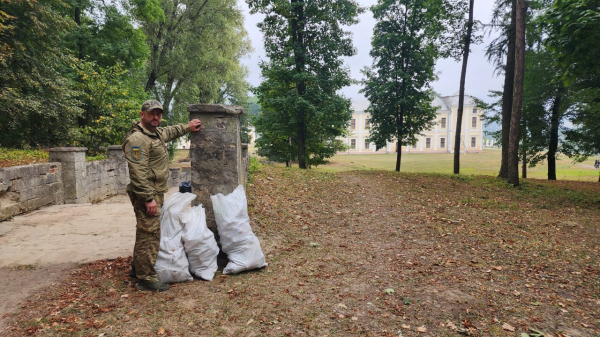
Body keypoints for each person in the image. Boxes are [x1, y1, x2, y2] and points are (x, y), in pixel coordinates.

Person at [122, 99, 202, 291]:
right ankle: (146, 278)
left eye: (159, 114)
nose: (156, 117)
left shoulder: (154, 133)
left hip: (155, 192)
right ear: (142, 115)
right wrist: (148, 199)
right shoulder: (137, 140)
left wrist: (188, 127)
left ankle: (137, 268)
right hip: (146, 194)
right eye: (152, 113)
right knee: (149, 234)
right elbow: (138, 173)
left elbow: (170, 131)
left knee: (146, 231)